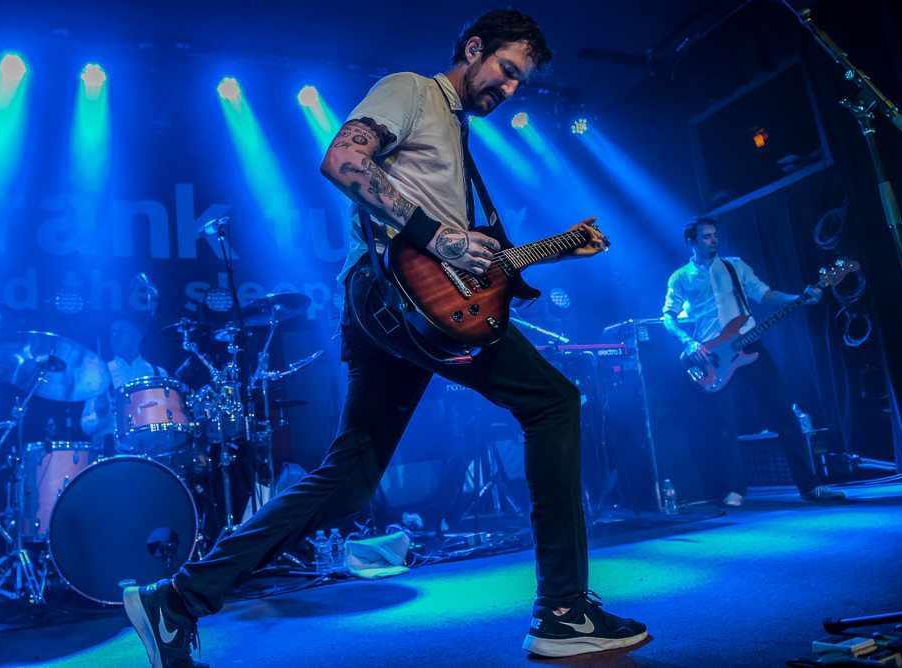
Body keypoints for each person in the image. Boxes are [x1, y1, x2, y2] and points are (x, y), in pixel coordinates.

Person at [123, 10, 647, 666]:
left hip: (395, 312)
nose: (510, 89)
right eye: (506, 71)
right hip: (395, 299)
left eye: (522, 83)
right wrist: (441, 238)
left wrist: (550, 250)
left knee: (347, 483)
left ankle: (177, 601)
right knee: (552, 402)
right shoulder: (413, 90)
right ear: (473, 48)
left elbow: (468, 258)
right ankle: (564, 611)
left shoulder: (455, 131)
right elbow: (344, 159)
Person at [662, 216, 846, 506]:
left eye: (715, 235)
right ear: (691, 242)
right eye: (707, 236)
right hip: (713, 356)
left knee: (784, 413)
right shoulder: (681, 277)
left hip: (750, 345)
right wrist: (689, 342)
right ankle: (736, 489)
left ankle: (810, 486)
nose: (714, 240)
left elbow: (766, 295)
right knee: (725, 426)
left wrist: (799, 297)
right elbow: (668, 317)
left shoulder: (735, 265)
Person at [80, 316, 167, 454]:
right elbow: (86, 425)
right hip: (113, 451)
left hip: (153, 449)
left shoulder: (158, 374)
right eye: (112, 332)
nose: (115, 336)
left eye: (121, 331)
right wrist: (100, 415)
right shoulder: (101, 374)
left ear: (138, 337)